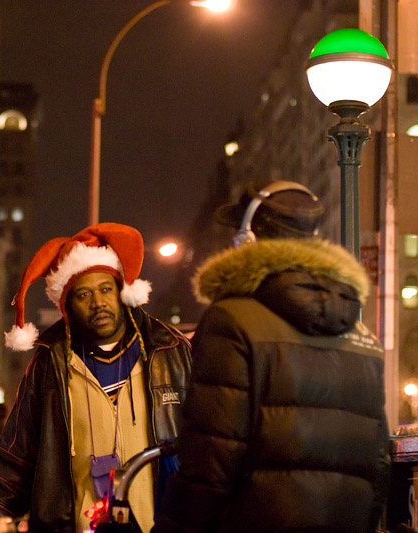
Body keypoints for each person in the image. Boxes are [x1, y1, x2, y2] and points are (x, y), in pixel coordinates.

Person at [153, 180, 391, 532]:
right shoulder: (362, 337)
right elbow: (379, 461)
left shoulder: (231, 320)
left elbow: (210, 459)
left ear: (247, 238)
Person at [0, 222, 192, 533]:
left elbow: (211, 448)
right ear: (68, 304)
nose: (98, 302)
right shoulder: (49, 362)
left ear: (122, 290)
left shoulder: (171, 350)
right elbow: (14, 459)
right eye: (84, 294)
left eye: (106, 289)